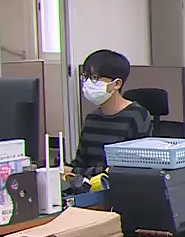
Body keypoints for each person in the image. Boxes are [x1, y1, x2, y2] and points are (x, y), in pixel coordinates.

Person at [65, 49, 152, 181]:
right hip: (89, 187)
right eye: (86, 77)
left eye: (94, 77)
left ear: (117, 83)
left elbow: (123, 169)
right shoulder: (91, 119)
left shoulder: (137, 116)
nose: (88, 83)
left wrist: (75, 172)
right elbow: (80, 163)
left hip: (118, 188)